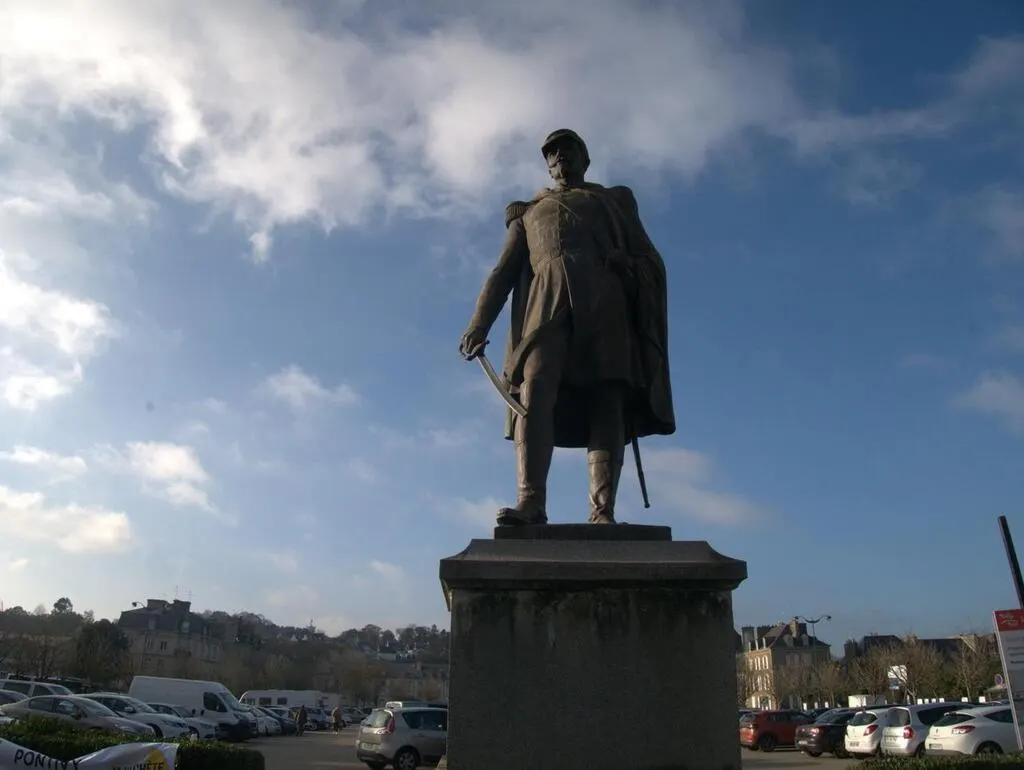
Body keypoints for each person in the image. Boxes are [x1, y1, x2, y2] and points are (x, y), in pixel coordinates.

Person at [460, 128, 675, 525]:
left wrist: (628, 265)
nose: (559, 157)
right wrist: (479, 322)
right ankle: (531, 503)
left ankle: (602, 512)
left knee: (607, 398)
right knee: (535, 389)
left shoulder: (615, 199)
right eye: (552, 154)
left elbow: (648, 257)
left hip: (605, 301)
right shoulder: (528, 212)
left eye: (567, 150)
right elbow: (503, 271)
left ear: (584, 158)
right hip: (547, 302)